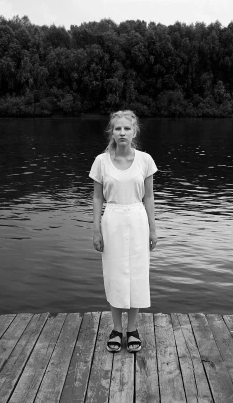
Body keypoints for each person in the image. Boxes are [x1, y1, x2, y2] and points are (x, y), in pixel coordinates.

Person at [89, 110, 158, 353]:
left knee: (137, 276)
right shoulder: (101, 161)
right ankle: (117, 329)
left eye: (126, 129)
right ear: (111, 132)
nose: (122, 133)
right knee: (115, 275)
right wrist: (96, 229)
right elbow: (98, 197)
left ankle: (133, 329)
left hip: (138, 219)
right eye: (117, 128)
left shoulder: (145, 160)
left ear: (134, 132)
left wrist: (153, 228)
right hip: (113, 220)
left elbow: (148, 196)